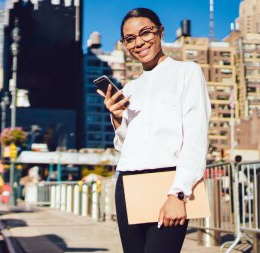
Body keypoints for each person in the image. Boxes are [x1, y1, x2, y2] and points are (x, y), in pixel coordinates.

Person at [97, 8, 211, 253]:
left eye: (145, 32)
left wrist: (178, 194)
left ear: (160, 31)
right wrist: (117, 118)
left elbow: (195, 138)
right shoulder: (129, 88)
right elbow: (126, 144)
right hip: (128, 182)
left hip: (168, 182)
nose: (139, 42)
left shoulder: (187, 72)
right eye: (130, 38)